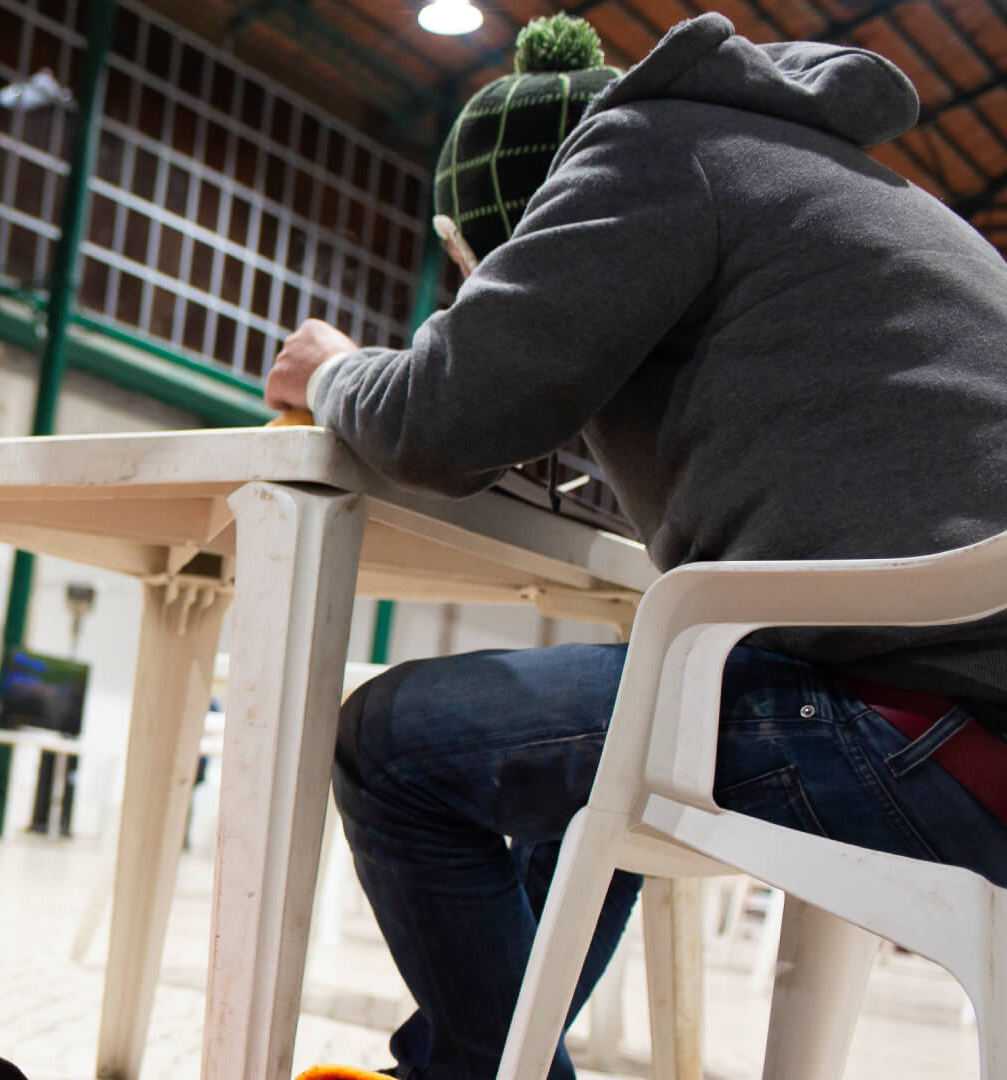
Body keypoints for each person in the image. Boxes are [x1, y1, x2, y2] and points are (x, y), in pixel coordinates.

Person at [264, 13, 1007, 1080]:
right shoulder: (846, 192)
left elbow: (443, 422)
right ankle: (462, 1063)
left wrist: (333, 370)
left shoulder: (645, 150)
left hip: (925, 728)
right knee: (590, 759)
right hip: (966, 707)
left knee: (392, 747)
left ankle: (473, 1071)